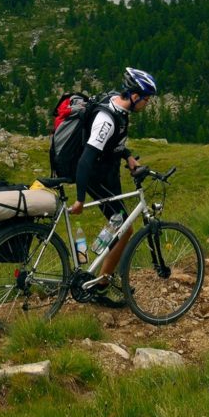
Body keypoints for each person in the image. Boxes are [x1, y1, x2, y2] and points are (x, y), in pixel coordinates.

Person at [68, 67, 157, 306]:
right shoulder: (106, 119)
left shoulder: (119, 105)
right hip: (97, 178)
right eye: (146, 98)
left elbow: (113, 142)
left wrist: (127, 156)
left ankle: (101, 273)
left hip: (108, 174)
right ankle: (101, 285)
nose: (147, 103)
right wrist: (79, 199)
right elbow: (87, 158)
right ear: (135, 96)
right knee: (125, 228)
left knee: (118, 224)